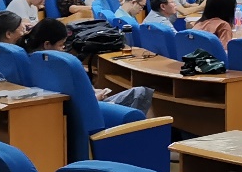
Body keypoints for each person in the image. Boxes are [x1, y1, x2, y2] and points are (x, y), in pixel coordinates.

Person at [24, 21, 152, 113]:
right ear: (47, 44)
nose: (63, 49)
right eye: (61, 45)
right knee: (141, 92)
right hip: (88, 113)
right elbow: (74, 104)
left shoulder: (29, 60)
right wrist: (95, 97)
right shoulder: (61, 66)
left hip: (76, 111)